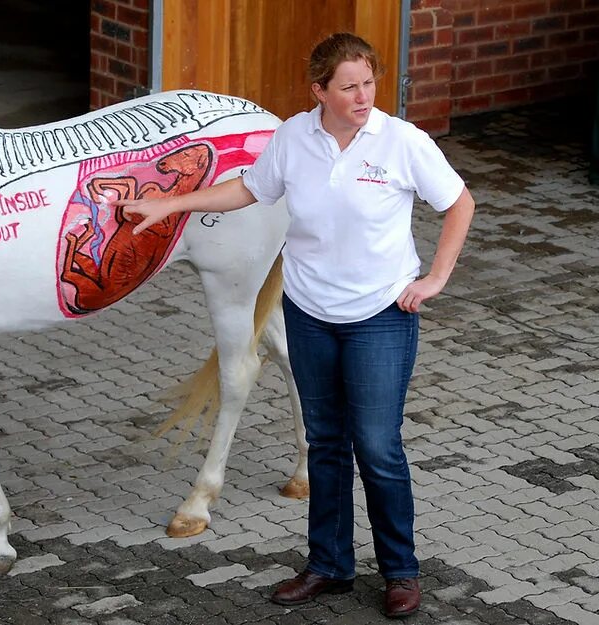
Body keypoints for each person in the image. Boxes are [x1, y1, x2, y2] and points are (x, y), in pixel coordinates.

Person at [113, 33, 475, 618]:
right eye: (349, 86)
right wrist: (169, 206)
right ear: (320, 91)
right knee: (325, 443)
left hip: (380, 317)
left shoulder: (401, 142)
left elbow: (459, 204)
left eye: (369, 83)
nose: (363, 95)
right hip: (309, 314)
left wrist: (434, 278)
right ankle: (328, 564)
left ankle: (401, 572)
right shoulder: (293, 137)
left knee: (378, 447)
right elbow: (248, 190)